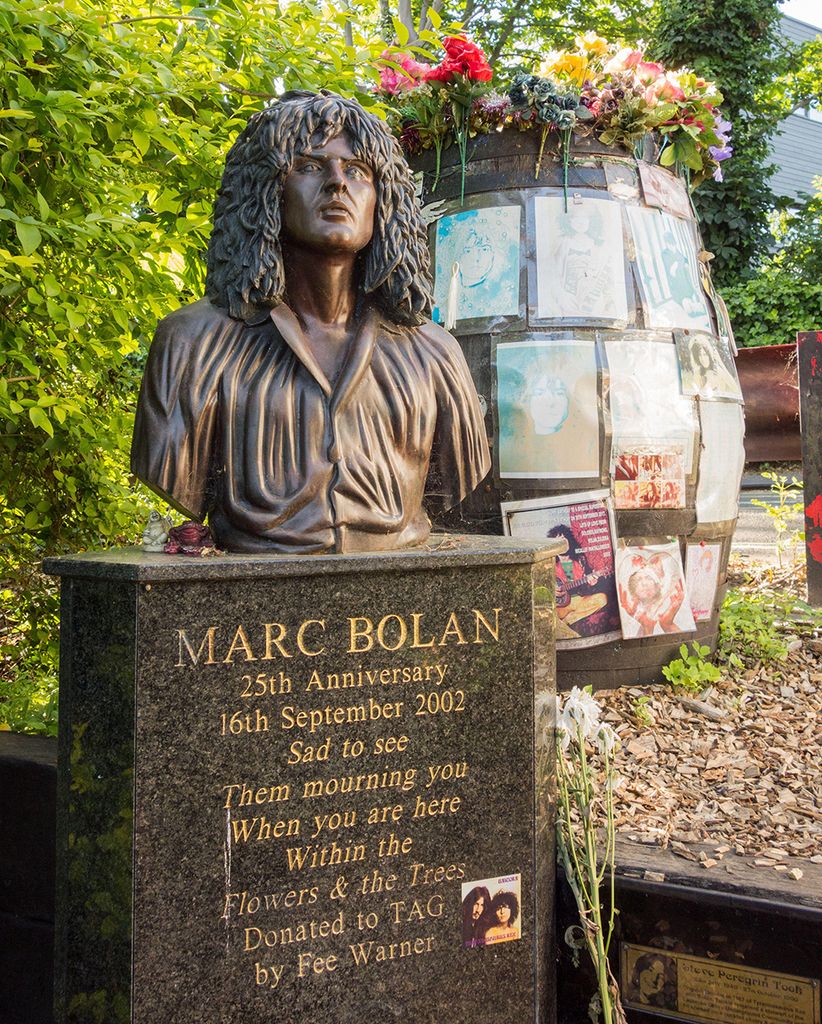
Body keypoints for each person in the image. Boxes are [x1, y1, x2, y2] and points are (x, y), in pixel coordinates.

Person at [131, 91, 489, 553]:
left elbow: (456, 481)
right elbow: (171, 468)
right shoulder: (191, 343)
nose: (337, 183)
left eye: (357, 171)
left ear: (384, 200)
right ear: (266, 192)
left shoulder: (435, 352)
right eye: (309, 166)